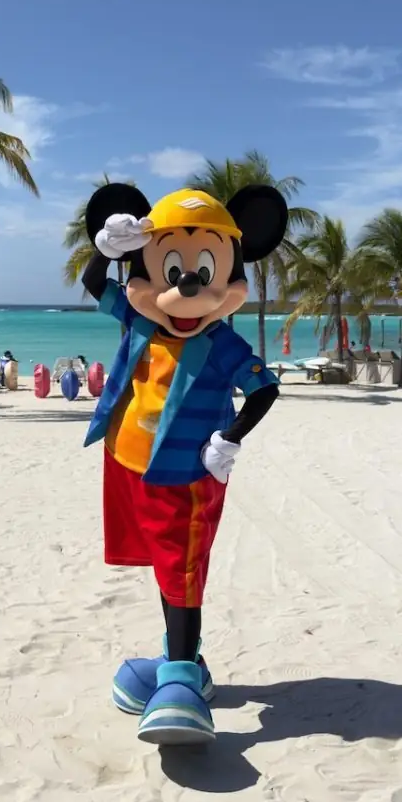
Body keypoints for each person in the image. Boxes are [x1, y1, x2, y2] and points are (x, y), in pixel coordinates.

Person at [79, 183, 287, 746]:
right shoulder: (139, 322)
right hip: (131, 463)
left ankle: (179, 681)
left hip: (188, 476)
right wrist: (108, 247)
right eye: (171, 268)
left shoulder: (221, 344)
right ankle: (184, 660)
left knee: (183, 570)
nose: (188, 285)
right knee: (164, 565)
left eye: (204, 272)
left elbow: (264, 389)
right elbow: (94, 283)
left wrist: (230, 439)